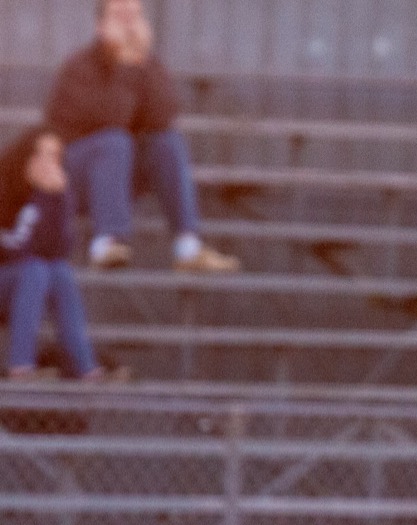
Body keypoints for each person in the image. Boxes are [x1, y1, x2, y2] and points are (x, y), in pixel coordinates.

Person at [46, 0, 239, 273]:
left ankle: (188, 248)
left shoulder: (143, 62)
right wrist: (126, 65)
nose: (128, 24)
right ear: (100, 26)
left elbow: (164, 117)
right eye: (119, 16)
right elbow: (111, 119)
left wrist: (143, 61)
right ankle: (106, 242)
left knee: (167, 142)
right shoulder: (79, 67)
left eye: (134, 16)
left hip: (119, 174)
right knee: (115, 141)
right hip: (72, 175)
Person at [0, 127, 104, 380]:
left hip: (24, 281)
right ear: (25, 156)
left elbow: (58, 250)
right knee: (35, 269)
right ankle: (21, 365)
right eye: (41, 155)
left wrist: (58, 198)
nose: (48, 164)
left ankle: (85, 367)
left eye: (54, 157)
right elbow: (12, 249)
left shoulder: (47, 196)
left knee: (60, 271)